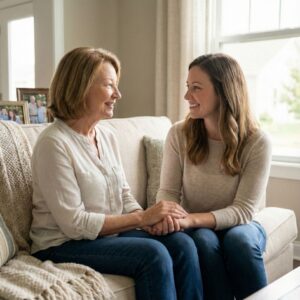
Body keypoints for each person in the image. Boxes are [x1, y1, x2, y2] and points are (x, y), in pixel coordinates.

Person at [30, 47, 203, 300]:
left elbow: (123, 194)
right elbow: (75, 224)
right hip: (61, 244)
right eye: (110, 85)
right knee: (153, 255)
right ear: (80, 87)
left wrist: (149, 222)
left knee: (182, 243)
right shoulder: (53, 143)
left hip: (107, 235)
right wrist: (142, 218)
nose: (118, 94)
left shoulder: (106, 135)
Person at [151, 53, 272, 300]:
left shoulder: (257, 141)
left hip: (241, 225)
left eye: (196, 88)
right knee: (205, 242)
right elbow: (168, 193)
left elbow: (243, 211)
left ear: (224, 91)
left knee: (239, 241)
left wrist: (190, 220)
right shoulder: (178, 134)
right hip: (198, 228)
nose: (187, 97)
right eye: (187, 87)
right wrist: (168, 216)